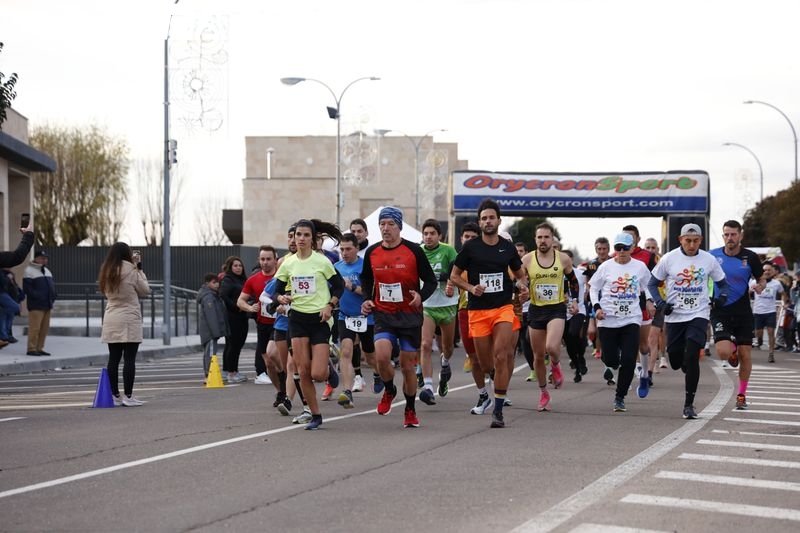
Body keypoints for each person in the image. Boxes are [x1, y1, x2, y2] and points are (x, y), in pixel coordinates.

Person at [450, 199, 529, 428]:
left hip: (503, 308)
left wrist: (522, 287)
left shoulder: (507, 247)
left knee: (502, 355)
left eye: (491, 217)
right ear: (479, 222)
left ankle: (498, 410)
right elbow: (454, 276)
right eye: (484, 218)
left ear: (499, 220)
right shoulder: (470, 248)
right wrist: (471, 288)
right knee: (485, 365)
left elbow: (520, 274)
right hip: (478, 311)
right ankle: (493, 379)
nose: (488, 221)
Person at [361, 206, 437, 429]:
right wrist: (367, 298)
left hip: (409, 316)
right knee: (382, 356)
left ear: (399, 227)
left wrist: (421, 296)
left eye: (391, 224)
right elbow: (366, 279)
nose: (385, 228)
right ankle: (390, 389)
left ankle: (410, 409)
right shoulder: (372, 252)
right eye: (382, 224)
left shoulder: (414, 251)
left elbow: (431, 281)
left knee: (407, 366)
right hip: (384, 313)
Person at [647, 223, 727, 419]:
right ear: (680, 240)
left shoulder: (708, 259)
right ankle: (683, 361)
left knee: (692, 354)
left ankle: (689, 405)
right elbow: (652, 283)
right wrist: (660, 303)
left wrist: (721, 298)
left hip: (699, 313)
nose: (691, 245)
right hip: (675, 315)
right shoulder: (669, 258)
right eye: (688, 241)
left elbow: (723, 285)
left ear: (701, 240)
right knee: (675, 360)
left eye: (695, 241)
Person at [274, 219, 345, 430]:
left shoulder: (322, 261)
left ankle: (329, 372)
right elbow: (277, 290)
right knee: (302, 371)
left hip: (319, 320)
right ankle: (315, 415)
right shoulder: (288, 263)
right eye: (298, 235)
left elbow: (339, 286)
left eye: (306, 235)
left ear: (312, 239)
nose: (301, 239)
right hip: (297, 320)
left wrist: (330, 305)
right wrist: (280, 298)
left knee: (317, 374)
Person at [521, 222, 580, 412]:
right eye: (539, 237)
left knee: (552, 347)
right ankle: (544, 392)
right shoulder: (527, 260)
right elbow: (520, 281)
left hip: (556, 308)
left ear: (552, 239)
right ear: (535, 239)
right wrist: (522, 290)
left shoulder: (563, 259)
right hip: (536, 310)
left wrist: (575, 300)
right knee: (538, 357)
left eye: (546, 237)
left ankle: (555, 364)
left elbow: (573, 281)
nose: (543, 240)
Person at [590, 233, 652, 412]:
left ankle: (620, 397)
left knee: (629, 359)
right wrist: (597, 307)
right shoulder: (606, 267)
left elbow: (648, 286)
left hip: (631, 319)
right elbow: (594, 288)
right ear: (615, 249)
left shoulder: (640, 267)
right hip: (608, 320)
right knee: (610, 360)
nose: (622, 251)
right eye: (618, 248)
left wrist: (649, 301)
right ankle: (612, 362)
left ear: (632, 248)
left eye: (625, 248)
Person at [709, 220, 765, 410]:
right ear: (723, 236)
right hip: (720, 310)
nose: (730, 238)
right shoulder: (712, 255)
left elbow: (761, 278)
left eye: (733, 234)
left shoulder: (750, 257)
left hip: (743, 311)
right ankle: (731, 351)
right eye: (726, 234)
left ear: (740, 235)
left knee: (745, 354)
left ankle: (741, 395)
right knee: (724, 353)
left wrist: (760, 286)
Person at [98, 243, 150, 407]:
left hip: (111, 315)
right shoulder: (132, 270)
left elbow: (105, 292)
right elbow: (145, 290)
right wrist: (139, 268)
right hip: (129, 317)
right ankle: (128, 396)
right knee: (129, 359)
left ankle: (115, 395)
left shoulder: (106, 270)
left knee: (113, 358)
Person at [334, 233, 378, 408]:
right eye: (342, 249)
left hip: (366, 316)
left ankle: (377, 373)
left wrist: (351, 286)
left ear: (357, 248)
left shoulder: (365, 266)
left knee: (370, 356)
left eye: (348, 249)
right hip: (345, 316)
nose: (344, 253)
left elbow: (371, 291)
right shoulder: (336, 267)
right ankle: (347, 391)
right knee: (345, 351)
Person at [418, 218, 459, 405]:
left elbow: (457, 272)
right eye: (425, 233)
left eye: (432, 233)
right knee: (426, 344)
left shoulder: (448, 251)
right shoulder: (419, 251)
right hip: (427, 305)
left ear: (439, 235)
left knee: (447, 348)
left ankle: (445, 364)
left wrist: (448, 280)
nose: (428, 237)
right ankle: (428, 387)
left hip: (447, 304)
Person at [237, 245, 279, 385]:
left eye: (268, 259)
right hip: (262, 323)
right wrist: (250, 307)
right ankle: (265, 374)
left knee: (275, 353)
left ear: (275, 260)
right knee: (266, 356)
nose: (265, 262)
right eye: (262, 259)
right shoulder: (253, 280)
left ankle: (284, 374)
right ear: (259, 260)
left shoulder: (282, 277)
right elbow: (240, 301)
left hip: (280, 323)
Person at [750, 260, 787, 363]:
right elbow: (748, 292)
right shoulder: (754, 282)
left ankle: (771, 354)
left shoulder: (776, 283)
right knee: (758, 333)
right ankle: (760, 340)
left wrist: (784, 303)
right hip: (758, 311)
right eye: (765, 270)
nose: (767, 272)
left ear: (773, 271)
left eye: (769, 270)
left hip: (770, 311)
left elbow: (783, 293)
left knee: (771, 332)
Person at [219, 256, 249, 384]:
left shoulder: (242, 279)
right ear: (230, 267)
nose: (238, 268)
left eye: (240, 265)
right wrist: (237, 307)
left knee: (233, 345)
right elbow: (223, 295)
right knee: (234, 345)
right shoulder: (228, 279)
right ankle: (232, 372)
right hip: (233, 317)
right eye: (235, 266)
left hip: (241, 316)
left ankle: (227, 371)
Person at [457, 222, 480, 376]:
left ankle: (497, 387)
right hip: (464, 310)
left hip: (484, 310)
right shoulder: (456, 261)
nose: (469, 240)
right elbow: (451, 279)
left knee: (488, 355)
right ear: (461, 239)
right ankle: (483, 391)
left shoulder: (486, 260)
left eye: (473, 237)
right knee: (473, 357)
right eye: (467, 237)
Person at [197, 273, 230, 383]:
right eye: (214, 282)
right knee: (210, 353)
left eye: (218, 282)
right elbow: (211, 316)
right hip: (210, 332)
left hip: (210, 331)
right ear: (207, 283)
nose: (217, 285)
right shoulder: (209, 297)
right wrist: (216, 332)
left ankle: (209, 374)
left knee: (210, 352)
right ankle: (208, 375)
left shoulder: (213, 295)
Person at [23, 250, 57, 356]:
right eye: (42, 258)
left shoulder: (47, 271)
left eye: (46, 258)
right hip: (36, 305)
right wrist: (38, 297)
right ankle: (31, 349)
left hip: (47, 304)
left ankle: (39, 348)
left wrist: (54, 296)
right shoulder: (29, 271)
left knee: (44, 328)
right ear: (36, 258)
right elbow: (27, 289)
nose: (45, 260)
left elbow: (51, 285)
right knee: (35, 328)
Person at [0, 269, 24, 344]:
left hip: (12, 299)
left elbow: (16, 288)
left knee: (9, 320)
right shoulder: (4, 274)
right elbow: (4, 282)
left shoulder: (8, 273)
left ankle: (7, 336)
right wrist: (8, 278)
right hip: (6, 298)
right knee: (5, 317)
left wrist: (20, 297)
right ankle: (4, 336)